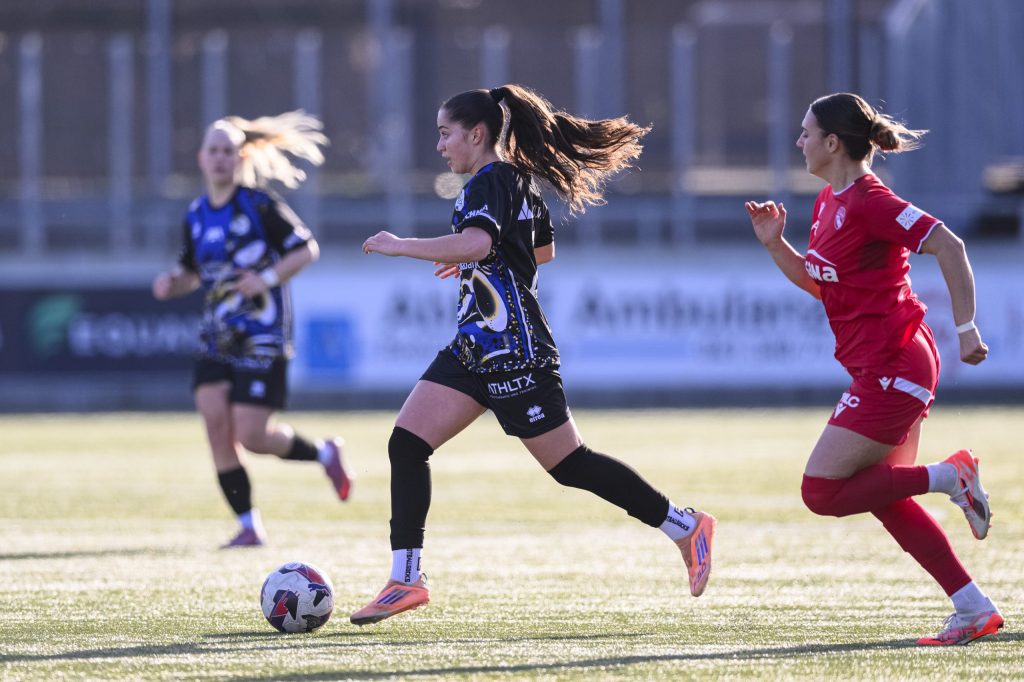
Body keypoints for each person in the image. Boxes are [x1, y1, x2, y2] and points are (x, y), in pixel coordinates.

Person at [351, 84, 716, 625]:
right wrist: (475, 259)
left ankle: (686, 526)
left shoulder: (490, 180)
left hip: (514, 352)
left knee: (571, 465)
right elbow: (541, 249)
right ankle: (405, 579)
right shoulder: (515, 180)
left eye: (445, 134)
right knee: (406, 444)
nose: (440, 145)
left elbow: (480, 243)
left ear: (477, 134)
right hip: (475, 348)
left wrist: (404, 245)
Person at [745, 93, 1002, 646]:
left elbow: (950, 246)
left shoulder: (870, 201)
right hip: (882, 365)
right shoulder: (828, 201)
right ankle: (973, 607)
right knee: (883, 496)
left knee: (821, 491)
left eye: (807, 133)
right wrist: (775, 246)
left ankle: (950, 476)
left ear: (833, 143)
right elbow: (823, 285)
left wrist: (966, 328)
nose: (799, 142)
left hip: (895, 364)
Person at [152, 111, 353, 548]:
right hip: (216, 335)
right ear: (201, 158)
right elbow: (191, 273)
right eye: (213, 150)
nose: (220, 158)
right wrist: (172, 283)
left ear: (240, 158)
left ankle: (324, 453)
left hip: (262, 335)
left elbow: (306, 249)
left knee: (252, 436)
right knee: (215, 426)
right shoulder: (196, 214)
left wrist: (265, 279)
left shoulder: (260, 205)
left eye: (228, 151)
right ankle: (248, 525)